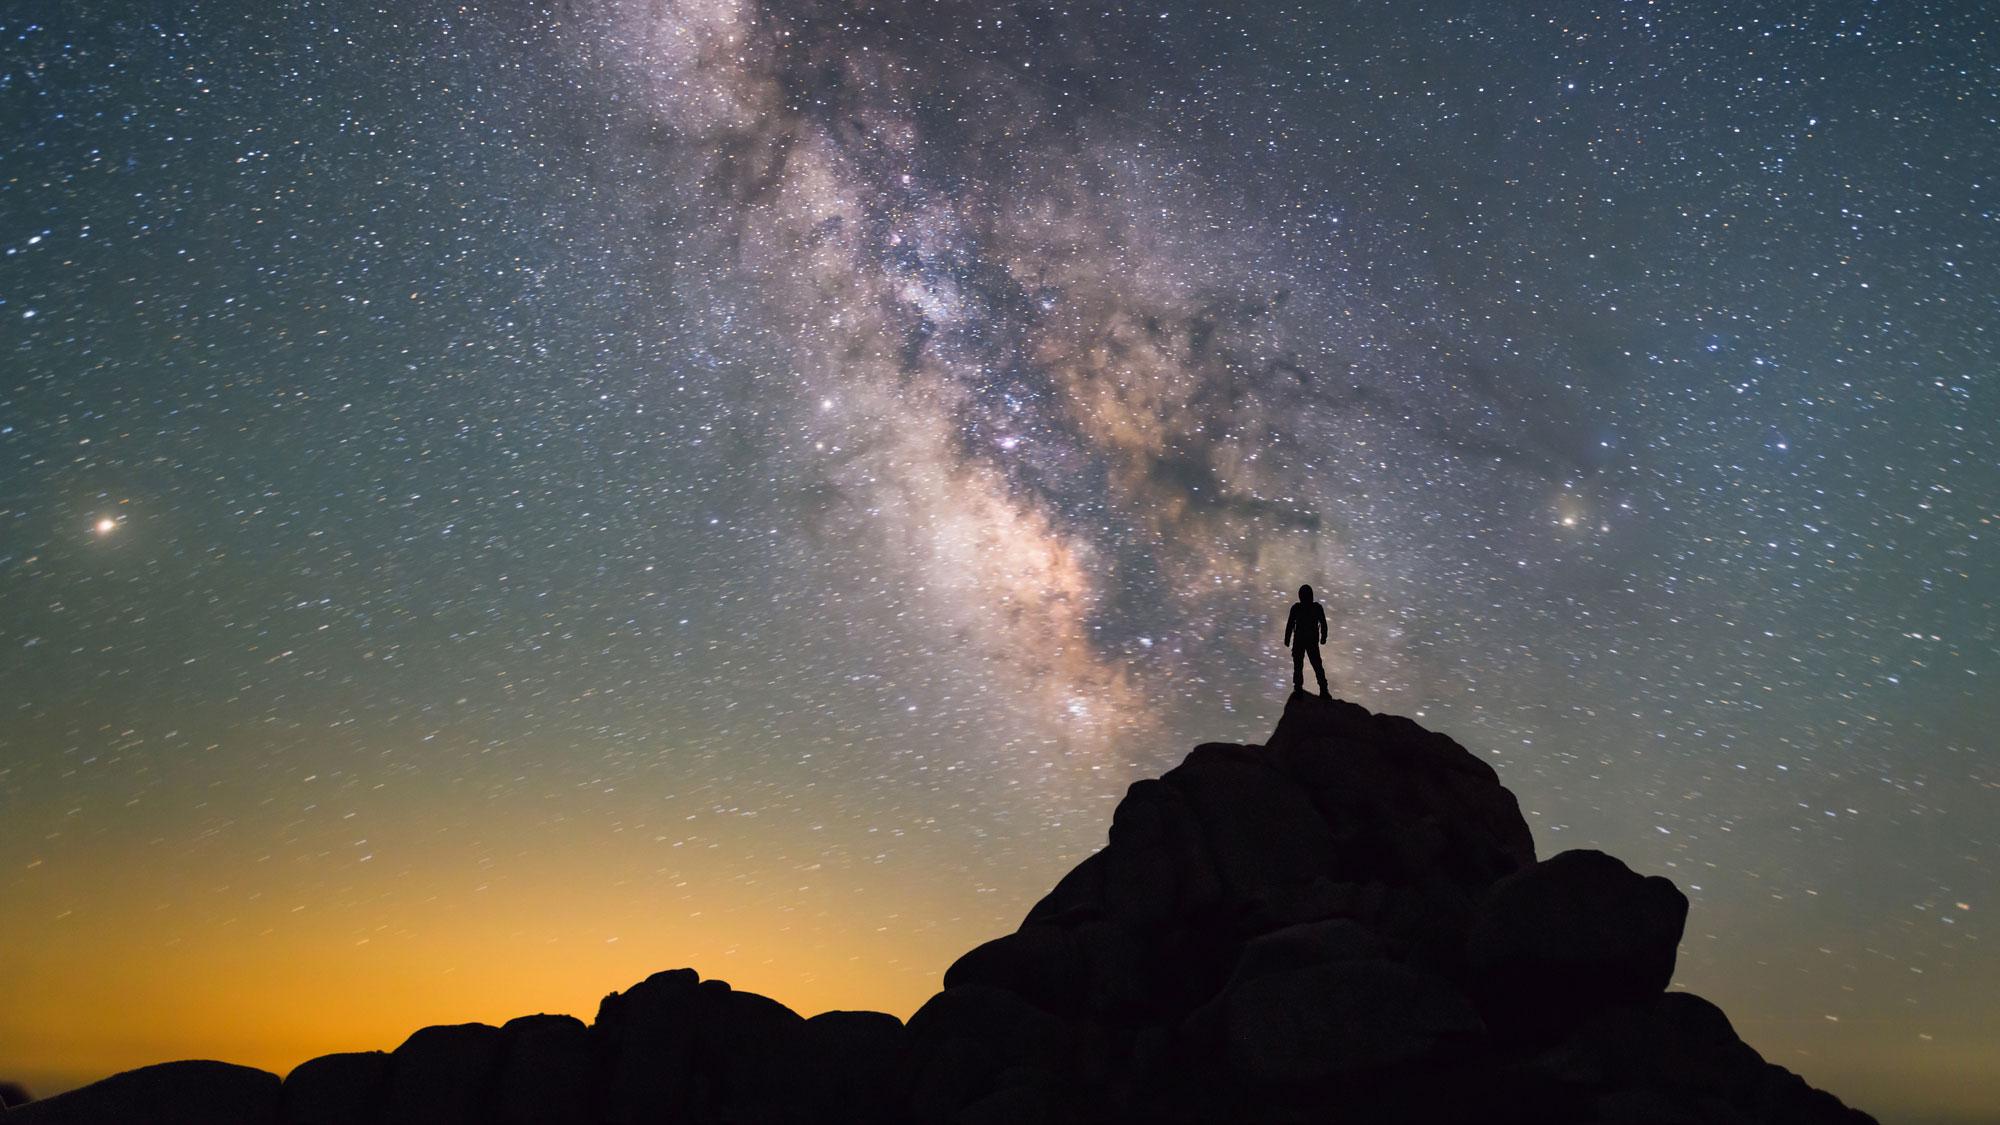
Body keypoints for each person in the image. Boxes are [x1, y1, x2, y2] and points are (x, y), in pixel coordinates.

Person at [1283, 584, 1330, 697]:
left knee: (1304, 665)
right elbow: (1323, 624)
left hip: (1301, 641)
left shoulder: (1297, 608)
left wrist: (1287, 639)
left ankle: (1300, 689)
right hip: (1310, 641)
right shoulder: (1316, 608)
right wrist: (1323, 638)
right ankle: (1322, 690)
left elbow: (1290, 625)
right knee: (1315, 665)